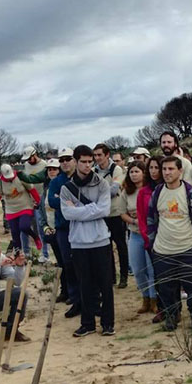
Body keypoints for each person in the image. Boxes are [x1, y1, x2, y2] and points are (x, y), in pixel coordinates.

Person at [146, 157, 192, 331]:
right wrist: (152, 243)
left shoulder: (191, 193)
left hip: (189, 248)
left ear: (180, 171)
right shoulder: (158, 192)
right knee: (166, 288)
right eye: (164, 169)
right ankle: (172, 316)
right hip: (163, 250)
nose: (167, 172)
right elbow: (151, 218)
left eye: (171, 169)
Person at [60, 145, 115, 337]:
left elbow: (105, 210)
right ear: (75, 161)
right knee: (85, 284)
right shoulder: (66, 188)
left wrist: (79, 210)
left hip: (100, 240)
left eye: (90, 161)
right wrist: (91, 210)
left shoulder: (102, 184)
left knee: (105, 284)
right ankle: (88, 323)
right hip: (78, 242)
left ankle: (108, 323)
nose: (87, 165)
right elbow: (67, 214)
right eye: (83, 161)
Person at [46, 149, 82, 316]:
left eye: (68, 159)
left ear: (74, 160)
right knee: (68, 263)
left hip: (82, 225)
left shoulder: (82, 177)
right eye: (62, 160)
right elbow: (52, 201)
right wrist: (69, 201)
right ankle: (75, 300)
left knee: (85, 263)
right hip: (63, 227)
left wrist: (64, 198)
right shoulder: (56, 181)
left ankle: (91, 299)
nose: (65, 162)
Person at [119, 161, 156, 314]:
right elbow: (122, 213)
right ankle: (145, 297)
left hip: (150, 235)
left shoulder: (151, 190)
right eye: (131, 172)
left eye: (137, 171)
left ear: (144, 173)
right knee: (138, 268)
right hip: (134, 234)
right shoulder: (126, 192)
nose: (134, 175)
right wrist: (135, 221)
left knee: (152, 269)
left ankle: (155, 299)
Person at [94, 143, 129, 288]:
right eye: (95, 155)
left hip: (115, 212)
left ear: (107, 155)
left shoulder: (117, 169)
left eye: (99, 155)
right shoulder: (94, 171)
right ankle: (111, 277)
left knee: (121, 245)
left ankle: (124, 277)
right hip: (103, 214)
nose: (97, 158)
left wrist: (98, 195)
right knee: (106, 247)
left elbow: (114, 190)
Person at [0, 164, 42, 255]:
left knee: (24, 226)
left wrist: (38, 202)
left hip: (25, 206)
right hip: (11, 210)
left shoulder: (20, 177)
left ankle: (35, 237)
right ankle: (18, 256)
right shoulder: (0, 182)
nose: (10, 179)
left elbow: (32, 189)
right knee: (15, 234)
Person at [138, 156, 165, 323]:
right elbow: (142, 217)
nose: (154, 171)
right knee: (156, 274)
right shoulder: (143, 191)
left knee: (168, 275)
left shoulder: (169, 188)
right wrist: (148, 237)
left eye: (157, 167)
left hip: (170, 238)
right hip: (151, 240)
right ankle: (159, 306)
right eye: (151, 168)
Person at [20, 146, 50, 263]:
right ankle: (26, 253)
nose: (28, 161)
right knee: (24, 228)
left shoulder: (44, 165)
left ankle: (45, 254)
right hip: (27, 201)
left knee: (41, 228)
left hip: (40, 200)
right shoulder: (25, 166)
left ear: (35, 154)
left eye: (29, 158)